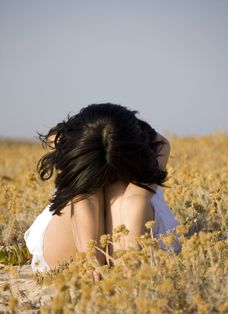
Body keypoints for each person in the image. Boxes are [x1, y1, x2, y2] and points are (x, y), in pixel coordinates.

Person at [24, 103, 181, 278]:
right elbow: (83, 197)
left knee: (126, 194)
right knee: (86, 192)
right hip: (77, 233)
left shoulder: (153, 145)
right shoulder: (70, 144)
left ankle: (116, 268)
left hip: (121, 229)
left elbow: (136, 199)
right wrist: (90, 254)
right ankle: (119, 269)